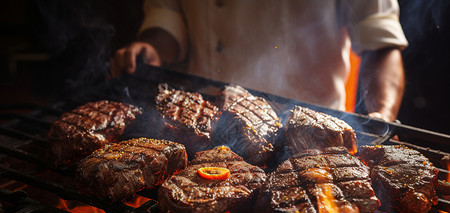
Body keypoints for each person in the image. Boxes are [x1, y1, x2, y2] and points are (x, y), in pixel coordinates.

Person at [110, 0, 408, 122]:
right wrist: (152, 48)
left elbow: (380, 40)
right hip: (201, 120)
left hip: (307, 134)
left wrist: (380, 115)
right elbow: (168, 13)